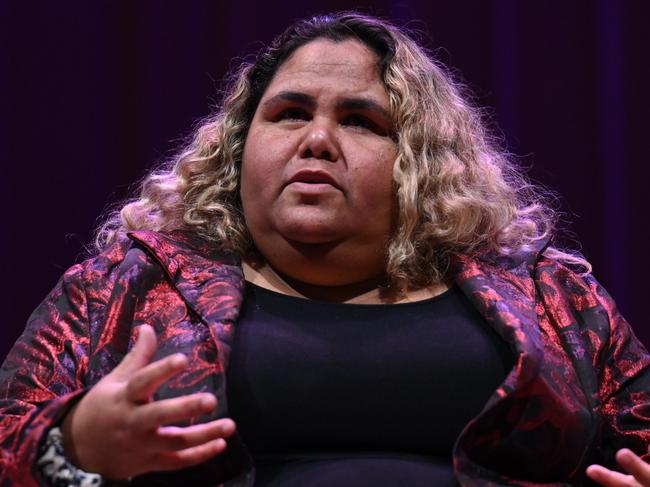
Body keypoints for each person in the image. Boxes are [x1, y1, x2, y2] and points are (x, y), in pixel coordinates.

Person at [1, 11, 649, 487]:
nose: (317, 140)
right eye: (289, 113)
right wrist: (76, 442)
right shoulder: (127, 285)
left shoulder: (552, 295)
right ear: (238, 147)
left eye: (361, 121)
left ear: (418, 161)